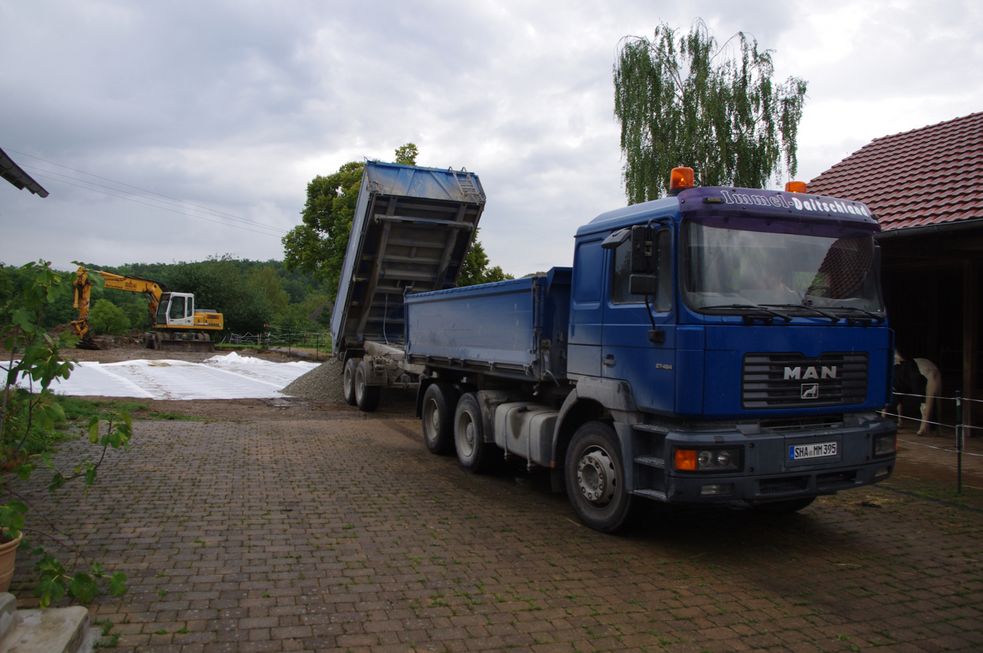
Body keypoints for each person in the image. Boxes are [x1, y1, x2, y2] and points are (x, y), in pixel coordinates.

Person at [892, 350, 941, 436]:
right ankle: (933, 427)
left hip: (905, 371)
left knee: (897, 394)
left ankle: (920, 426)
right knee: (932, 399)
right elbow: (900, 358)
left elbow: (899, 359)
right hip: (921, 364)